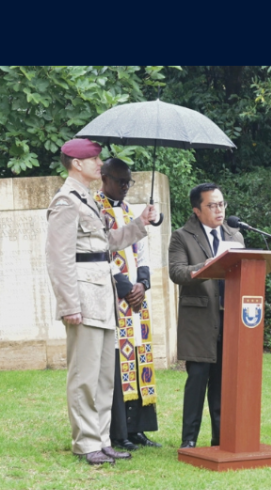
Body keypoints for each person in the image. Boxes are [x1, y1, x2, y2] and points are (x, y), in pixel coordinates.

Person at [44, 138, 158, 465]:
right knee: (84, 375)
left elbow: (107, 243)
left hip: (103, 296)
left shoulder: (87, 200)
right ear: (76, 164)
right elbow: (58, 258)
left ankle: (103, 438)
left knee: (105, 376)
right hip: (83, 296)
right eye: (93, 158)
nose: (99, 163)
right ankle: (85, 443)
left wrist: (140, 224)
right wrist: (69, 305)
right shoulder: (66, 201)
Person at [168, 183, 244, 448]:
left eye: (222, 204)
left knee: (223, 382)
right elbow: (177, 272)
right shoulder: (182, 236)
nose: (219, 210)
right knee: (198, 379)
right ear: (196, 210)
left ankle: (220, 439)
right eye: (212, 205)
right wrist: (210, 264)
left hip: (230, 317)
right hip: (199, 318)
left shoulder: (235, 236)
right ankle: (189, 440)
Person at [97, 158, 162, 451]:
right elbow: (102, 254)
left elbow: (142, 253)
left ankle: (139, 429)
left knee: (138, 357)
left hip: (136, 298)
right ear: (104, 178)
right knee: (118, 363)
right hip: (115, 296)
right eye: (120, 181)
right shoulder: (96, 210)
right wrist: (125, 288)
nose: (125, 187)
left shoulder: (130, 211)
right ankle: (118, 432)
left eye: (129, 182)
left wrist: (143, 284)